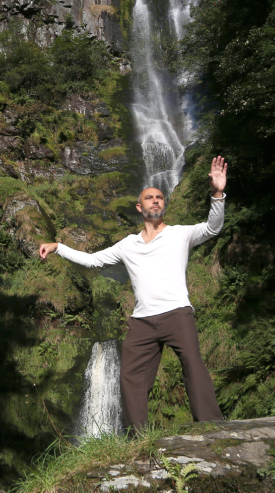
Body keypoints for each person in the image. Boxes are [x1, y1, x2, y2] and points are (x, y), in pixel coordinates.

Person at [39, 156, 228, 432]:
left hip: (177, 313)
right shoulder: (128, 244)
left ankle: (213, 428)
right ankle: (137, 439)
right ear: (140, 207)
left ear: (164, 205)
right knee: (130, 378)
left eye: (160, 197)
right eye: (150, 197)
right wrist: (58, 246)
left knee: (193, 366)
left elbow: (213, 227)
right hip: (141, 322)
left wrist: (217, 192)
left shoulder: (180, 234)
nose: (156, 200)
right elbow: (93, 260)